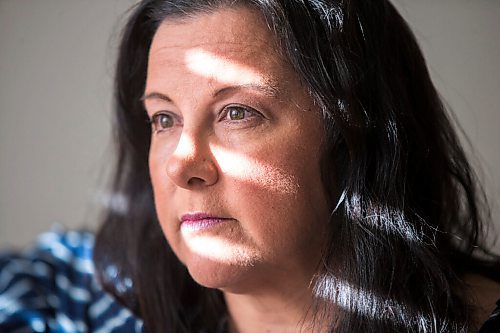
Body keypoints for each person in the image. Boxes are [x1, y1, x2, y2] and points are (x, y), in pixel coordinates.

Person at [1, 0, 499, 332]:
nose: (181, 167)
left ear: (355, 137)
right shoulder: (80, 299)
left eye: (237, 112)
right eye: (164, 118)